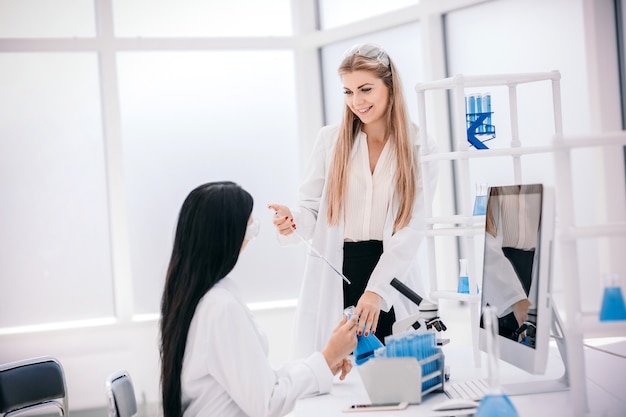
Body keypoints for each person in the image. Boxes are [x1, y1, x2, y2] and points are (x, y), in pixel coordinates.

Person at [269, 43, 437, 359]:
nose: (356, 101)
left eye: (365, 89)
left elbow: (412, 230)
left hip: (390, 277)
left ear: (390, 86)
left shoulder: (419, 147)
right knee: (337, 381)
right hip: (338, 272)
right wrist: (293, 219)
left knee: (397, 375)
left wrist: (376, 291)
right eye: (347, 92)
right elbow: (311, 210)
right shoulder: (330, 141)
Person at [159, 181, 358, 417]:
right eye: (249, 228)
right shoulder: (220, 308)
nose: (252, 237)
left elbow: (264, 381)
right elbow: (268, 403)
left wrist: (323, 364)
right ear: (226, 237)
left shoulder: (201, 297)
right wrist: (326, 358)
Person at [481, 184, 542, 343]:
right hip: (497, 282)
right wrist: (515, 299)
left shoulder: (540, 182)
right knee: (496, 349)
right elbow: (485, 245)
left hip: (531, 273)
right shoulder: (493, 184)